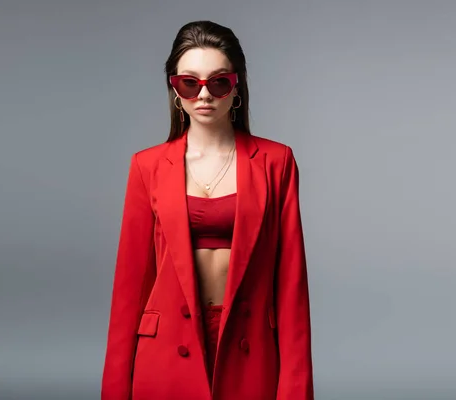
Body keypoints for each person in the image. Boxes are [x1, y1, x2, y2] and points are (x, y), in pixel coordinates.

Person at [101, 20, 313, 400]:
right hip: (165, 350)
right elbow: (129, 290)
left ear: (237, 89)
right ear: (175, 90)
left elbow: (292, 287)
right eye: (189, 82)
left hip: (250, 345)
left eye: (217, 82)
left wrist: (296, 390)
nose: (204, 94)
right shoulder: (147, 166)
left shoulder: (276, 162)